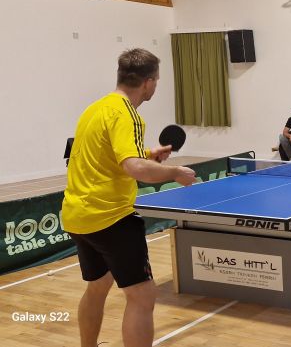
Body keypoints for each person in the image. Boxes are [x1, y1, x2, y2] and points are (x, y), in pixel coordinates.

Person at [61, 49, 197, 347]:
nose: (155, 86)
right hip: (110, 217)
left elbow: (107, 154)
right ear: (148, 82)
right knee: (142, 296)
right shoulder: (128, 114)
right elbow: (135, 168)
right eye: (156, 80)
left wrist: (148, 154)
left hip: (77, 215)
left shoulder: (96, 109)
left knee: (98, 286)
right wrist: (175, 172)